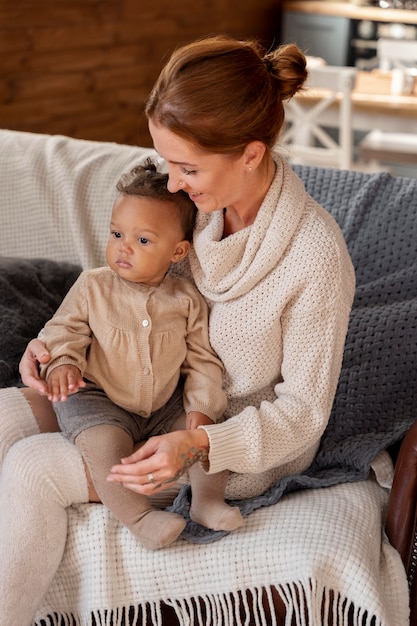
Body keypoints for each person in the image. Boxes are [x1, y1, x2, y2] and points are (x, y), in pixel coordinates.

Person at [0, 35, 355, 625]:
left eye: (186, 167)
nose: (170, 184)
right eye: (166, 162)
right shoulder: (199, 208)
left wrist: (198, 443)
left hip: (226, 443)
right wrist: (53, 350)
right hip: (139, 390)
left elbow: (303, 415)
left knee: (35, 466)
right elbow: (125, 294)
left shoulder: (315, 259)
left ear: (250, 152)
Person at [37, 159, 240, 552]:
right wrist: (62, 362)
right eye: (117, 233)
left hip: (163, 405)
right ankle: (140, 519)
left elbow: (201, 361)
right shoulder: (93, 285)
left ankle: (207, 501)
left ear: (178, 251)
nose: (123, 247)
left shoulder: (185, 300)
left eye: (143, 240)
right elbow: (64, 329)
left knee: (211, 435)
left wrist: (201, 409)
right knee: (103, 446)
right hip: (99, 397)